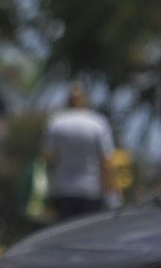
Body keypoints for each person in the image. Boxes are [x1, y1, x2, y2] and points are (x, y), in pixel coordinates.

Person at [43, 83, 117, 221]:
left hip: (63, 189)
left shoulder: (56, 123)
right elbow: (106, 161)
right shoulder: (98, 123)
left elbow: (48, 157)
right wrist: (112, 193)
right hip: (91, 190)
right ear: (85, 100)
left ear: (67, 101)